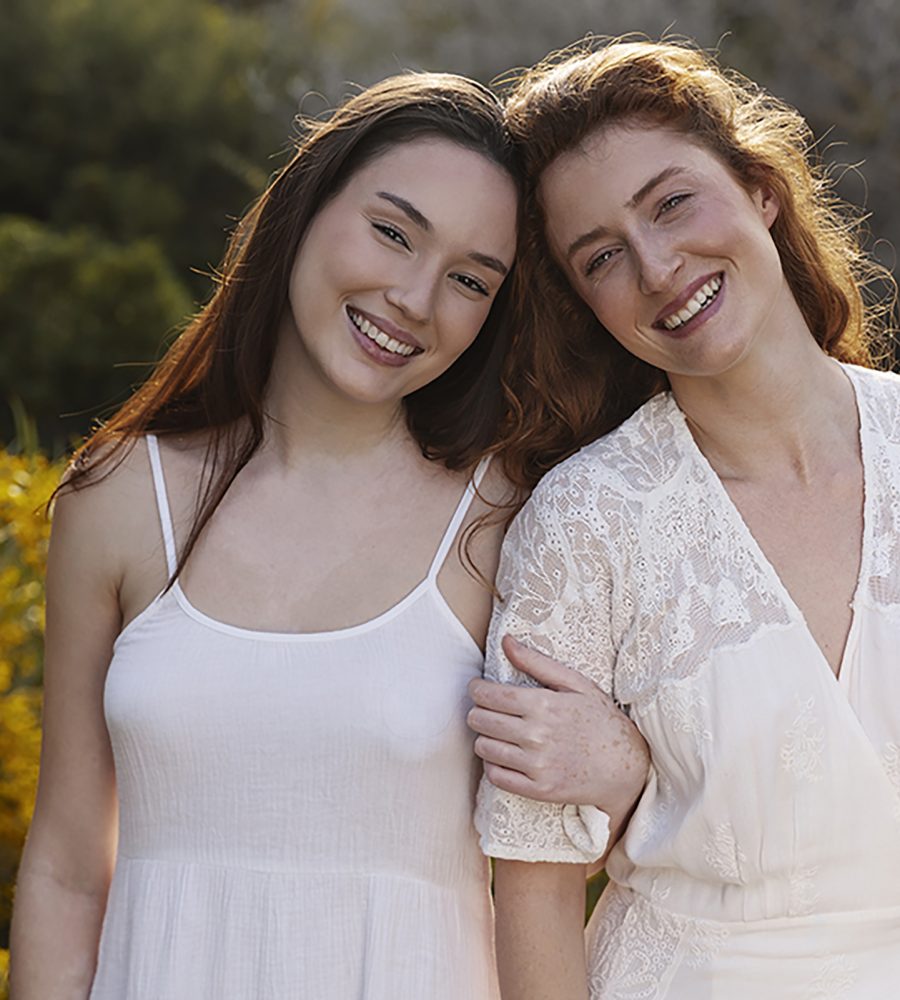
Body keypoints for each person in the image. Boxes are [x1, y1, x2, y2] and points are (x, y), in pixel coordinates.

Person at [10, 71, 648, 999]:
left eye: (470, 280)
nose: (414, 299)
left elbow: (556, 868)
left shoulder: (510, 519)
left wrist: (625, 765)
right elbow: (68, 867)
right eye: (393, 232)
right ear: (303, 209)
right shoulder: (116, 495)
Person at [471, 38, 900, 999]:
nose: (660, 267)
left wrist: (642, 778)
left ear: (761, 190)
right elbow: (532, 895)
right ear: (587, 305)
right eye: (603, 257)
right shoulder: (583, 525)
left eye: (672, 203)